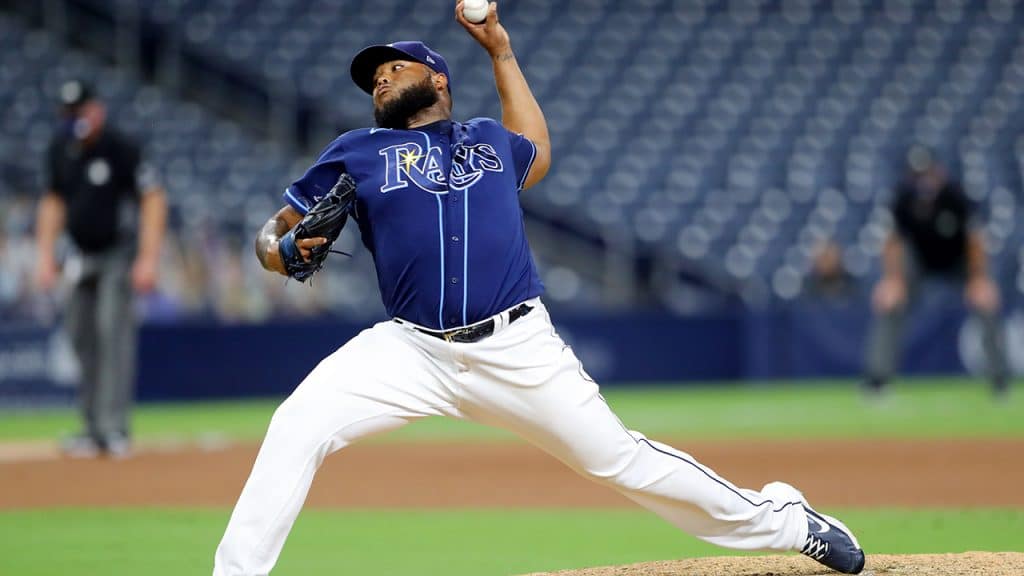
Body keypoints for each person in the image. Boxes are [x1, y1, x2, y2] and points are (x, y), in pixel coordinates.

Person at [213, 4, 865, 575]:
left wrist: (500, 48)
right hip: (410, 351)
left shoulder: (491, 142)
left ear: (437, 79)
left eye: (395, 68)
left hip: (516, 346)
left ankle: (786, 520)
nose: (380, 78)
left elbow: (539, 149)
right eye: (373, 77)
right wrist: (278, 249)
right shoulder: (358, 150)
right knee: (298, 423)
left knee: (622, 462)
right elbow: (277, 232)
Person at [34, 79, 168, 457]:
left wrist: (148, 257)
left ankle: (114, 429)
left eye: (80, 110)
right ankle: (92, 428)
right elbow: (52, 202)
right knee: (80, 336)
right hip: (78, 256)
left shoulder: (120, 147)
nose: (75, 119)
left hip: (117, 256)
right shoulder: (60, 149)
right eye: (68, 113)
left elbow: (153, 198)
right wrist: (45, 255)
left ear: (97, 109)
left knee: (113, 334)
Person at [865, 146, 1008, 398]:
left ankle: (999, 382)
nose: (923, 181)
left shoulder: (955, 196)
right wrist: (892, 280)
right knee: (890, 304)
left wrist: (979, 279)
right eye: (917, 175)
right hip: (920, 261)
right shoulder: (904, 198)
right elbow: (893, 241)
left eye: (927, 173)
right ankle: (878, 381)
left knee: (986, 303)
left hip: (958, 259)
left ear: (938, 172)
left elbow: (975, 240)